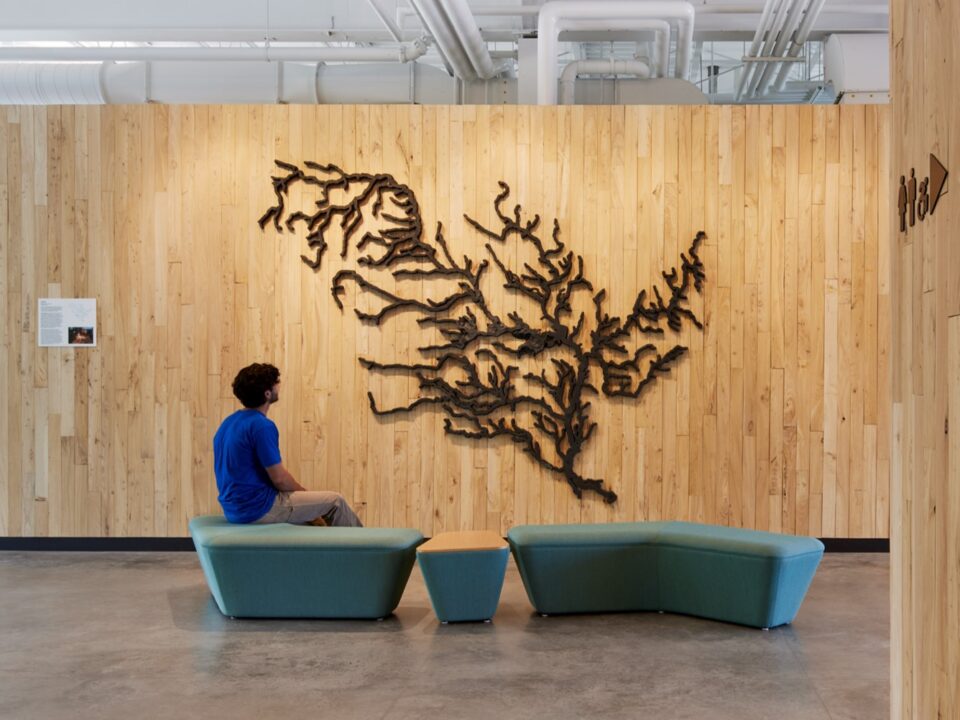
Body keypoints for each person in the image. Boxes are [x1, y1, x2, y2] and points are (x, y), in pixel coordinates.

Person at [213, 362, 363, 527]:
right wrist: (307, 497)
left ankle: (332, 549)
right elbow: (280, 480)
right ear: (267, 393)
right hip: (257, 508)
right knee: (335, 502)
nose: (279, 385)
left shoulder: (229, 423)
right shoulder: (261, 426)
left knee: (316, 518)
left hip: (233, 509)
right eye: (276, 383)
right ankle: (366, 550)